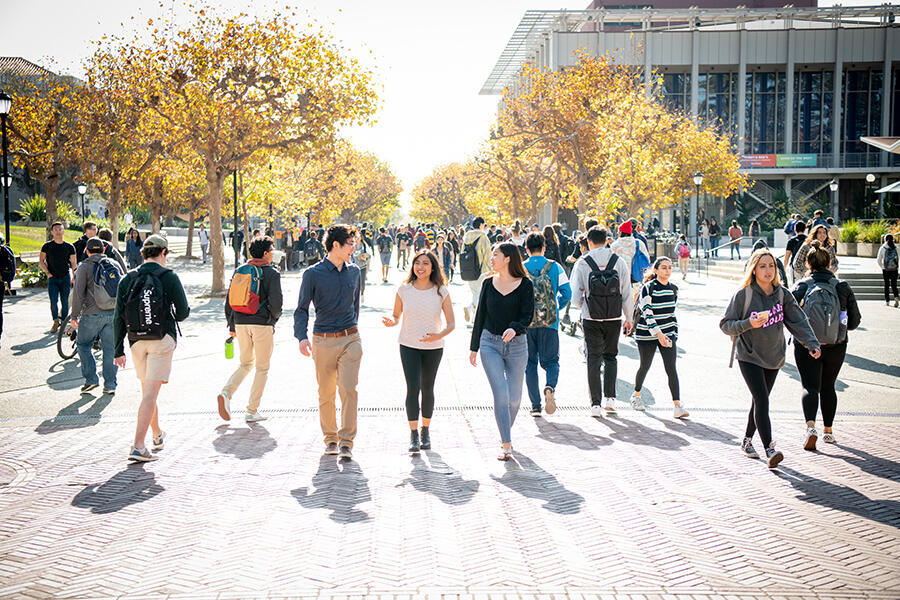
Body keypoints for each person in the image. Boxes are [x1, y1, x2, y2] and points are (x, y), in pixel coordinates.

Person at [719, 248, 820, 469]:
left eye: (771, 266)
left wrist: (811, 342)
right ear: (753, 269)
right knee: (763, 400)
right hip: (749, 356)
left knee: (758, 401)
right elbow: (726, 325)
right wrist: (749, 324)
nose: (767, 270)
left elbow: (798, 321)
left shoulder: (783, 294)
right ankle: (770, 449)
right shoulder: (743, 294)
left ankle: (747, 441)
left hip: (774, 356)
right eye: (762, 266)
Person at [114, 234, 191, 462]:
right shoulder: (169, 277)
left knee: (148, 391)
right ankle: (138, 446)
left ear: (143, 253)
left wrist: (118, 350)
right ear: (163, 252)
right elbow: (184, 312)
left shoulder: (127, 279)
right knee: (150, 393)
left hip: (136, 341)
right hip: (161, 339)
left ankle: (157, 434)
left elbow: (118, 317)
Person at [294, 224, 363, 461]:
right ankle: (331, 439)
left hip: (351, 339)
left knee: (348, 389)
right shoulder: (312, 274)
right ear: (336, 245)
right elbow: (301, 309)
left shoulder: (355, 271)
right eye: (351, 244)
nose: (354, 248)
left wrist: (354, 329)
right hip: (322, 340)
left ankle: (346, 441)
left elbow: (356, 306)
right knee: (326, 393)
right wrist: (301, 337)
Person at [382, 250, 455, 453]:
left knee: (427, 388)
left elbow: (451, 324)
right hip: (408, 344)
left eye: (425, 263)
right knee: (412, 388)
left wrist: (438, 336)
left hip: (433, 347)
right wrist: (392, 321)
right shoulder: (404, 290)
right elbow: (396, 315)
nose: (420, 267)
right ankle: (413, 433)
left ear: (433, 268)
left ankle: (425, 430)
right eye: (417, 263)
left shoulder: (441, 291)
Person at [792, 240, 861, 450]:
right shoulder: (842, 286)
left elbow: (790, 315)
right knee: (828, 386)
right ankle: (828, 432)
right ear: (830, 262)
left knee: (809, 385)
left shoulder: (802, 286)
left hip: (807, 344)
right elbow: (855, 321)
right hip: (836, 344)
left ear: (807, 263)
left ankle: (810, 427)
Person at [469, 242, 534, 461]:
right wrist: (474, 348)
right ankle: (506, 442)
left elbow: (528, 315)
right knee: (501, 394)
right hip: (490, 344)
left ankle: (504, 430)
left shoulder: (525, 284)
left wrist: (514, 328)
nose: (491, 258)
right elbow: (479, 317)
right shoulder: (488, 283)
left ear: (508, 258)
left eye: (495, 254)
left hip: (517, 346)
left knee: (514, 399)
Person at [570, 226, 635, 416]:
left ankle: (595, 405)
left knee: (593, 359)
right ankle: (610, 399)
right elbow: (626, 293)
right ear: (607, 240)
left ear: (589, 242)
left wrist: (585, 304)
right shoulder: (619, 262)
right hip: (614, 317)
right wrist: (629, 318)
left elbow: (575, 298)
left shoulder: (583, 263)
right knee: (611, 357)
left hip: (591, 317)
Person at [218, 235, 283, 424]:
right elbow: (277, 303)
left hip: (240, 322)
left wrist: (232, 326)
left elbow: (229, 300)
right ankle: (252, 410)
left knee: (245, 363)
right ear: (265, 253)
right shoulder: (272, 273)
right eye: (271, 250)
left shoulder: (241, 270)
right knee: (262, 367)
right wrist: (272, 320)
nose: (273, 253)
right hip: (262, 323)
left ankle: (226, 393)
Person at [631, 257, 689, 418]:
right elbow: (647, 313)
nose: (667, 270)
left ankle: (677, 406)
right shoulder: (648, 288)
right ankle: (636, 395)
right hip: (646, 334)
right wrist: (658, 334)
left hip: (667, 334)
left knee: (671, 368)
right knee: (645, 365)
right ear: (655, 270)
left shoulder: (673, 289)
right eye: (663, 267)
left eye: (670, 267)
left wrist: (672, 334)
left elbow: (671, 314)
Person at [523, 232, 571, 417]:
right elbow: (567, 292)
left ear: (526, 249)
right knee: (551, 362)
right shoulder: (555, 266)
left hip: (527, 324)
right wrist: (556, 308)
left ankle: (535, 406)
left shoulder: (520, 267)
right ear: (544, 247)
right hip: (550, 323)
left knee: (530, 364)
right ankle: (550, 386)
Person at [70, 238, 124, 394]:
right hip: (113, 313)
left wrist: (74, 316)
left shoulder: (84, 266)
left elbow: (78, 294)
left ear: (87, 251)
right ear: (104, 249)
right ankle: (110, 385)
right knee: (111, 349)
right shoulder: (114, 264)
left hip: (91, 314)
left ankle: (91, 380)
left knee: (83, 345)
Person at [39, 222, 77, 333]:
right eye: (55, 230)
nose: (58, 232)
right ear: (52, 232)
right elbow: (41, 261)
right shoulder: (47, 246)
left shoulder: (69, 247)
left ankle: (63, 322)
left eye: (60, 229)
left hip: (65, 277)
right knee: (53, 301)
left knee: (65, 301)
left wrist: (74, 277)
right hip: (53, 278)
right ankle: (56, 321)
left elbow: (74, 263)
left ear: (63, 231)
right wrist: (47, 273)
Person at [461, 217, 492, 322]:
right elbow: (487, 254)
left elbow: (462, 253)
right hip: (481, 270)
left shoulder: (466, 237)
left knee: (475, 293)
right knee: (480, 293)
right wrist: (490, 269)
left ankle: (474, 316)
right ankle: (470, 308)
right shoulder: (483, 237)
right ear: (481, 225)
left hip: (468, 269)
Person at [877, 233, 899, 307]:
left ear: (885, 239)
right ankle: (896, 297)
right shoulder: (896, 247)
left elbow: (879, 260)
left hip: (886, 269)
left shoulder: (883, 247)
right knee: (894, 285)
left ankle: (887, 301)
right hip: (894, 269)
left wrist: (882, 266)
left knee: (886, 285)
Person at [353, 236, 371, 303]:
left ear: (361, 238)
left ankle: (362, 293)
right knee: (355, 283)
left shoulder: (364, 245)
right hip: (354, 267)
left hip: (363, 266)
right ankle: (355, 296)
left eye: (358, 237)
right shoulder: (352, 246)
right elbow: (349, 256)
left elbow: (369, 256)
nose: (357, 239)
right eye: (355, 237)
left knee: (362, 283)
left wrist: (365, 258)